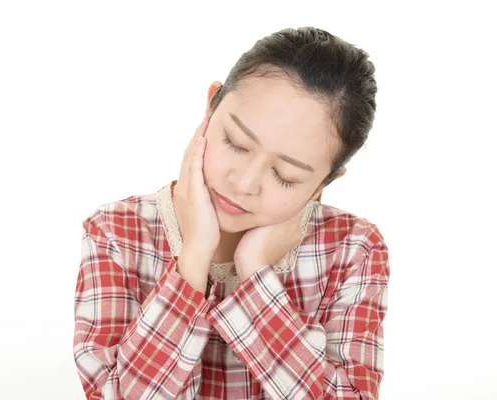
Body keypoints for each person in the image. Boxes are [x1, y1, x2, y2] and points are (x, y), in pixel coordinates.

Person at [73, 26, 390, 399]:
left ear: (325, 182)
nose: (244, 183)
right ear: (212, 106)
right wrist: (192, 259)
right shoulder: (116, 232)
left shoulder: (353, 249)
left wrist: (255, 273)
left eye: (285, 176)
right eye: (235, 143)